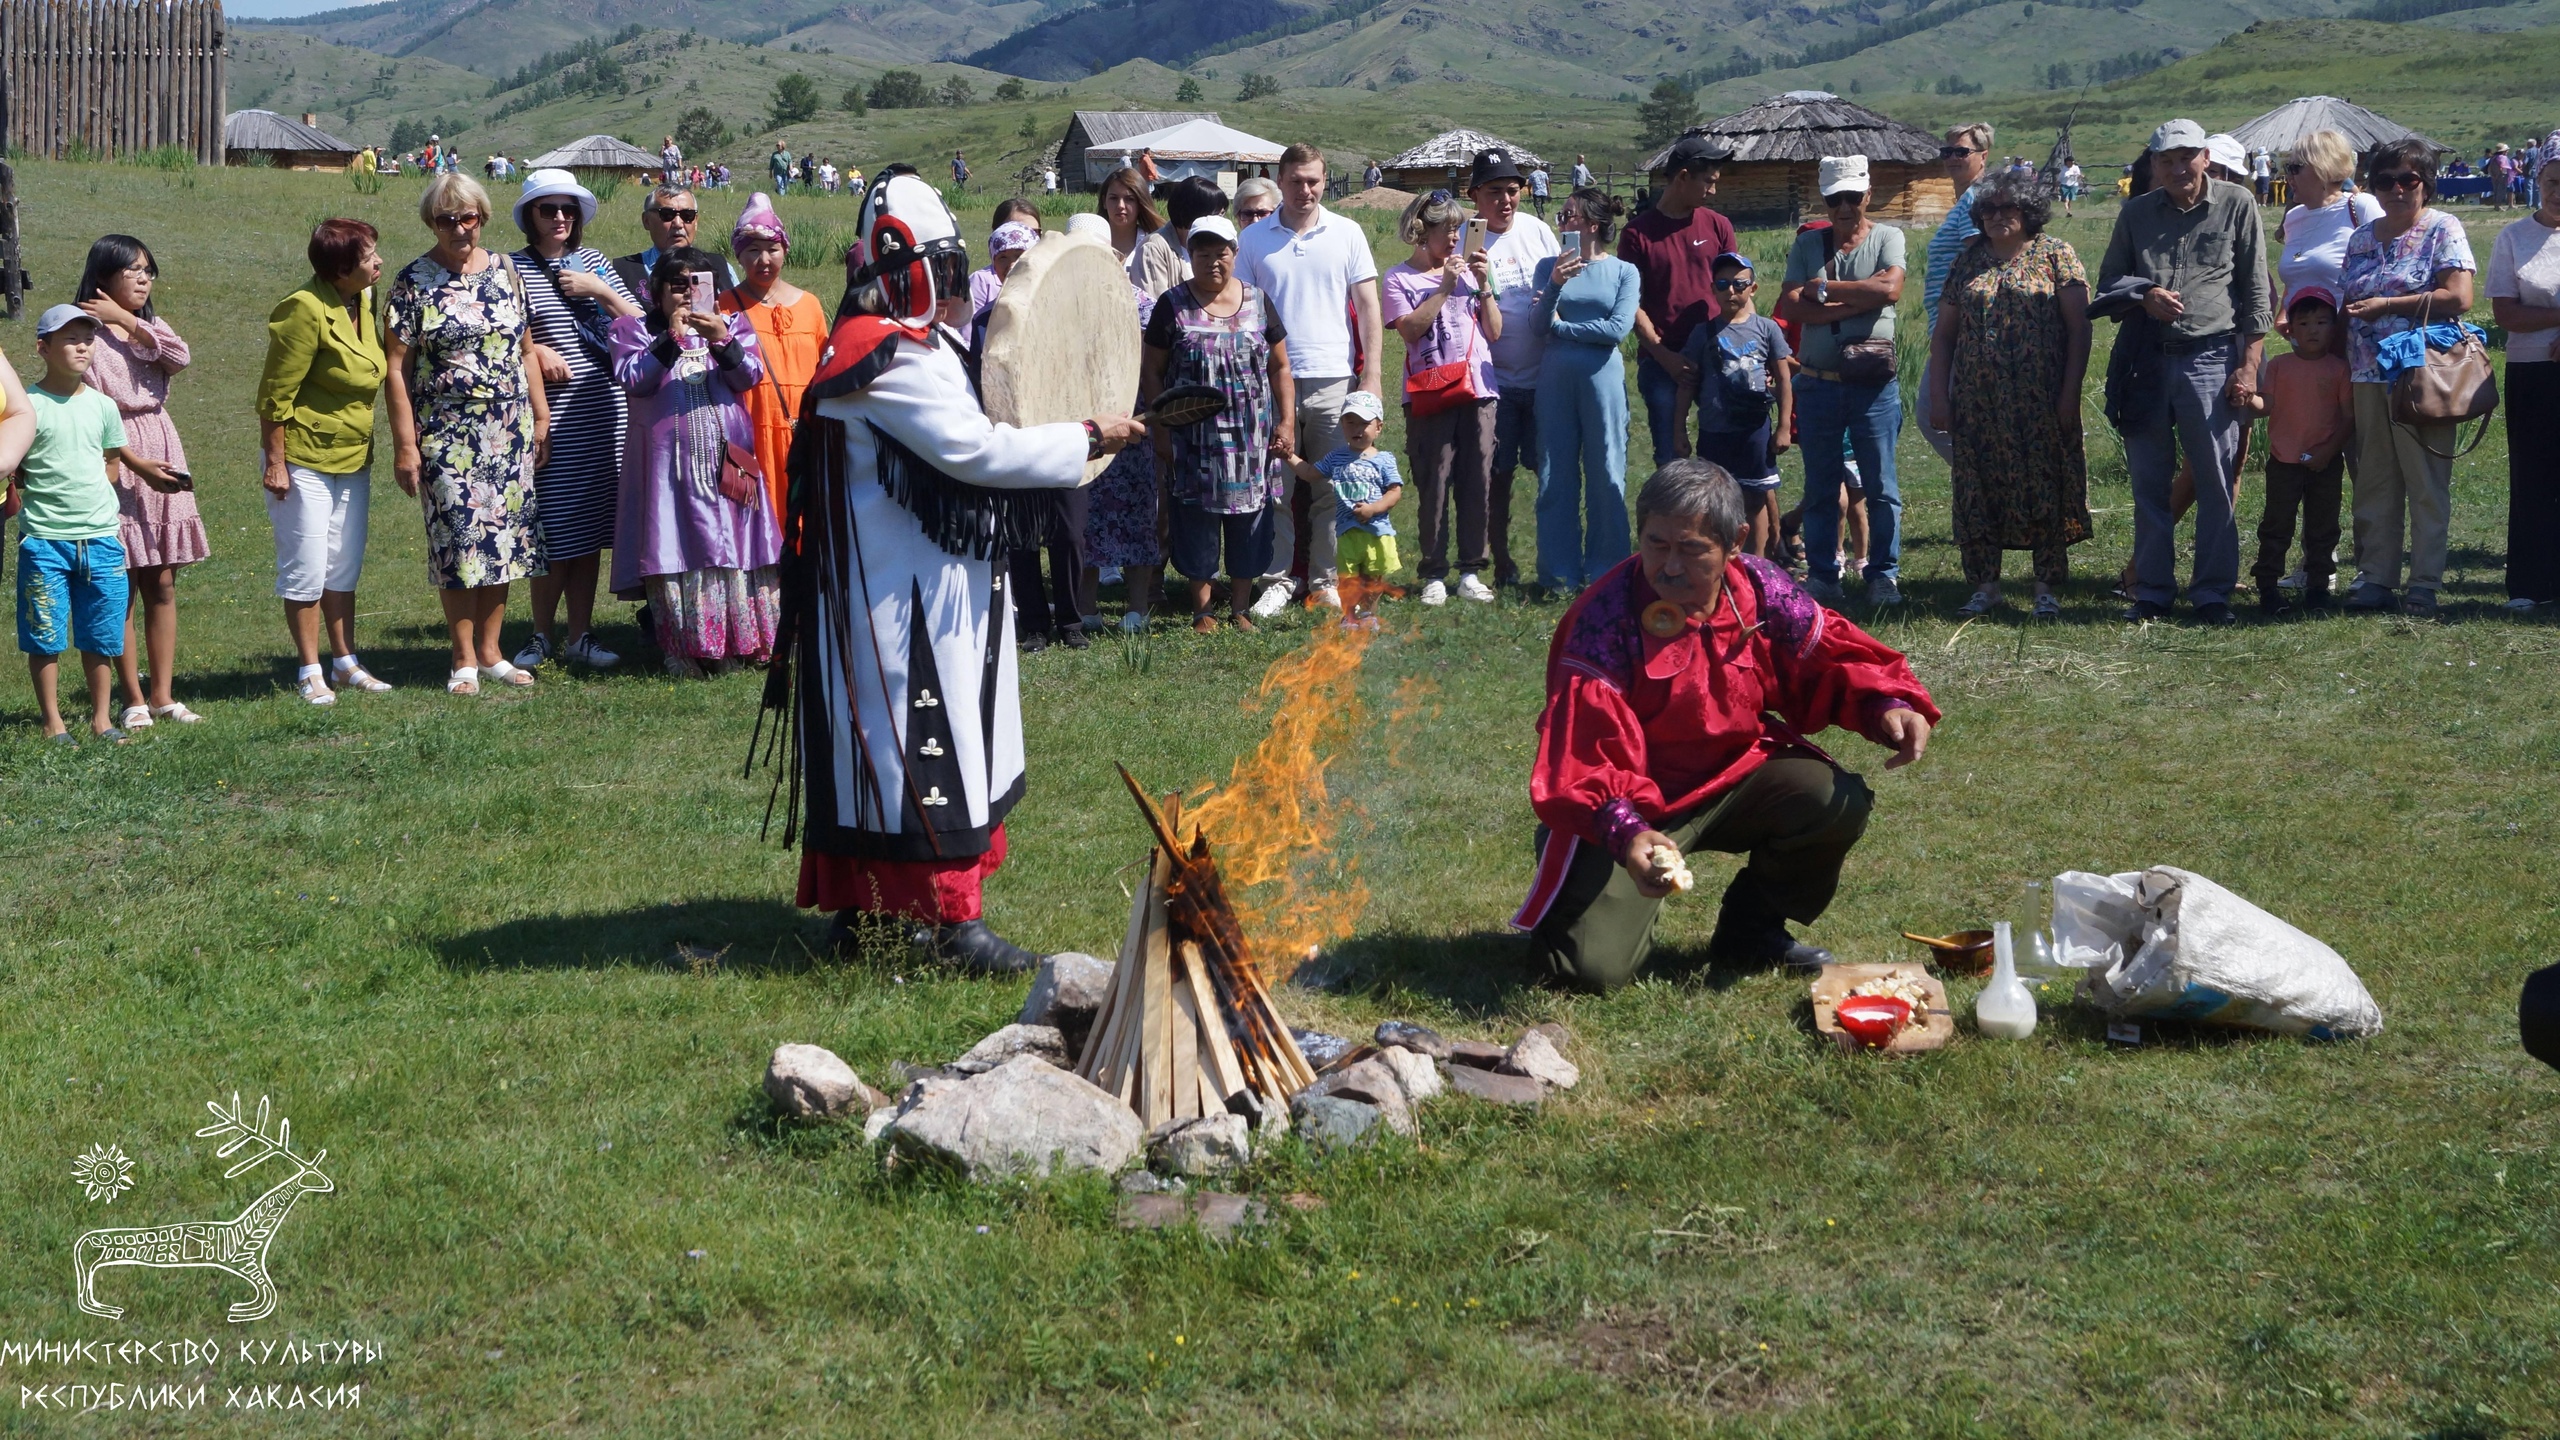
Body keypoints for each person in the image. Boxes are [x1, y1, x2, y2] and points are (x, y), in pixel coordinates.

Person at [772, 171, 1143, 973]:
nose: (946, 285)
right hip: (891, 597)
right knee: (912, 742)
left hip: (927, 583)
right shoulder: (883, 358)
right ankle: (945, 928)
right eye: (936, 268)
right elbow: (975, 451)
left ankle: (869, 913)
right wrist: (1086, 434)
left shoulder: (920, 343)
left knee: (895, 748)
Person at [1514, 460, 1938, 991]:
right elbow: (1584, 750)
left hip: (1735, 775)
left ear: (1735, 541)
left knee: (1834, 800)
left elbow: (1825, 659)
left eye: (1690, 549)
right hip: (1632, 802)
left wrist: (1886, 705)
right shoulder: (1604, 618)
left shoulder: (1759, 589)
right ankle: (1582, 880)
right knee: (1586, 973)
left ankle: (1751, 931)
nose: (1668, 567)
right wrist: (1624, 830)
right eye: (1655, 544)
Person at [2098, 118, 2271, 626]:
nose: (2178, 168)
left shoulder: (2238, 205)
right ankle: (2151, 590)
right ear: (2154, 164)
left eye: (2187, 157)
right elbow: (2108, 281)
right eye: (2167, 160)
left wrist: (2249, 365)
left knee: (2216, 480)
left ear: (2205, 158)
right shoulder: (2135, 214)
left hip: (2211, 358)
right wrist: (2143, 295)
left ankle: (2213, 593)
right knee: (2149, 483)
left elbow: (2256, 289)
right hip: (2145, 359)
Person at [384, 172, 550, 696]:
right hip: (447, 432)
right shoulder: (413, 282)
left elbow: (525, 351)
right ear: (431, 223)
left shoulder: (506, 271)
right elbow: (395, 368)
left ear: (483, 217)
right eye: (445, 219)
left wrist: (541, 417)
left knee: (503, 542)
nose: (458, 228)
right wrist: (406, 445)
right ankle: (462, 659)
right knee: (457, 541)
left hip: (509, 428)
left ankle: (492, 651)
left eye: (468, 217)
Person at [1925, 172, 2092, 619]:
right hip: (1978, 401)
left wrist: (2069, 396)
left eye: (2008, 208)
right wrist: (1940, 397)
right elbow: (1944, 336)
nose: (1997, 217)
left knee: (2046, 483)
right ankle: (1986, 586)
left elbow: (2080, 330)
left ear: (2028, 211)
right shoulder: (1967, 261)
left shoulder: (2056, 254)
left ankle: (2045, 589)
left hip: (2042, 398)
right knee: (1977, 487)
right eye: (1989, 210)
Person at [609, 248, 781, 675]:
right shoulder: (631, 330)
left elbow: (749, 377)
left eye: (697, 284)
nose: (688, 294)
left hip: (731, 457)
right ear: (656, 292)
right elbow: (634, 379)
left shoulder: (733, 325)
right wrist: (670, 338)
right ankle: (690, 650)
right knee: (675, 544)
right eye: (677, 285)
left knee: (740, 544)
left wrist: (720, 338)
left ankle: (746, 645)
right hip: (668, 469)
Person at [18, 304, 178, 743]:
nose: (81, 347)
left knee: (102, 633)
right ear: (43, 348)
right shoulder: (27, 407)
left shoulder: (104, 406)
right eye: (69, 339)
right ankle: (53, 722)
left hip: (102, 539)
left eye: (87, 339)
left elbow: (111, 463)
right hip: (45, 539)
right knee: (44, 635)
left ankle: (102, 718)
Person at [1238, 143, 1382, 616]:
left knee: (1327, 486)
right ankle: (1279, 580)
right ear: (1280, 180)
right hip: (1269, 380)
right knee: (1276, 486)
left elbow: (1367, 308)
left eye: (1314, 181)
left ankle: (1323, 582)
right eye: (1296, 180)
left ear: (1325, 180)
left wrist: (1372, 374)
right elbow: (1241, 309)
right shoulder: (1255, 239)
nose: (1306, 190)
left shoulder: (1348, 232)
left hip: (1333, 378)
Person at [508, 170, 642, 672]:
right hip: (552, 417)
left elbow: (638, 324)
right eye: (548, 209)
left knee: (590, 529)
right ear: (530, 217)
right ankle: (540, 634)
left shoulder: (595, 263)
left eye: (568, 209)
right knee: (553, 530)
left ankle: (580, 635)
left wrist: (598, 289)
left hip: (604, 410)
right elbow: (503, 335)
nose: (560, 218)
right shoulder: (513, 269)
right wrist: (535, 348)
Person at [257, 219, 392, 705]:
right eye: (368, 257)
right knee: (308, 566)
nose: (378, 262)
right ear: (340, 270)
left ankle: (345, 663)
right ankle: (309, 669)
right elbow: (275, 396)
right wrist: (276, 463)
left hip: (353, 457)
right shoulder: (303, 309)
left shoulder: (365, 300)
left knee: (343, 565)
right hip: (302, 460)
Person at [2339, 137, 2475, 619]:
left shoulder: (2443, 228)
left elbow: (2459, 297)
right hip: (2366, 372)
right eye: (2384, 181)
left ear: (2426, 183)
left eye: (2407, 180)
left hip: (2422, 373)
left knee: (2424, 479)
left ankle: (2424, 582)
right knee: (2374, 476)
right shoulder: (2360, 237)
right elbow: (2346, 303)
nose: (2396, 189)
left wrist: (2389, 306)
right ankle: (2375, 576)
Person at [74, 236, 204, 730]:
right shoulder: (80, 328)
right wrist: (135, 463)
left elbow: (179, 357)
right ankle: (131, 699)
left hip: (161, 439)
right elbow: (88, 404)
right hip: (114, 450)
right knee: (121, 581)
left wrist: (130, 322)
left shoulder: (147, 326)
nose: (144, 278)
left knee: (163, 579)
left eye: (149, 270)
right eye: (132, 270)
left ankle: (163, 695)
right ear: (103, 276)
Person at [1142, 214, 1293, 633]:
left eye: (1221, 253)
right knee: (1195, 519)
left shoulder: (1259, 301)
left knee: (1249, 520)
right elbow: (1152, 370)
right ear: (1189, 254)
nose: (1212, 262)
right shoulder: (1172, 304)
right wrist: (1161, 429)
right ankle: (1202, 610)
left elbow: (1281, 367)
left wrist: (1287, 423)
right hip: (1193, 437)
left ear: (1235, 253)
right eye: (1202, 253)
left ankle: (1241, 607)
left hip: (1250, 436)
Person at [1777, 154, 1909, 607]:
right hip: (1817, 382)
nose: (1845, 207)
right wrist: (1862, 301)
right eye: (1836, 199)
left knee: (1881, 486)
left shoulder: (1889, 236)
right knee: (1820, 485)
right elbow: (1791, 304)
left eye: (1853, 197)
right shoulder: (1808, 244)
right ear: (1826, 199)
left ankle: (1883, 574)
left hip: (1872, 383)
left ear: (1868, 195)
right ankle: (1823, 574)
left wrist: (1825, 291)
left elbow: (1891, 289)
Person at [1382, 189, 1501, 606]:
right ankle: (1433, 572)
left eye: (1459, 229)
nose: (1455, 238)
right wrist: (1445, 287)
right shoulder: (1399, 278)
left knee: (1477, 479)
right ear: (1421, 231)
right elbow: (1410, 330)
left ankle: (1471, 570)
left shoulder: (1472, 273)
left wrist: (1483, 285)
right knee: (1433, 481)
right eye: (1446, 229)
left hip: (1478, 390)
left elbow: (1495, 332)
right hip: (1429, 393)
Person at [1531, 187, 1641, 596]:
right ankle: (1559, 574)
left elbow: (1617, 329)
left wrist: (1565, 327)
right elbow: (1537, 324)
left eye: (1568, 215)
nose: (1561, 223)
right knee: (1554, 473)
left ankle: (1606, 571)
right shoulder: (1548, 267)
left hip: (1603, 378)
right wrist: (1556, 284)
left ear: (1592, 225)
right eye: (1560, 216)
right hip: (1556, 377)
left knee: (1607, 470)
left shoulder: (1624, 272)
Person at [1618, 133, 1737, 468]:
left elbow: (1738, 290)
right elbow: (1630, 303)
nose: (1713, 190)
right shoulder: (1637, 234)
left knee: (1724, 450)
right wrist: (1664, 356)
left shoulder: (1718, 226)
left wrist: (1753, 348)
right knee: (1672, 457)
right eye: (1708, 182)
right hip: (1662, 361)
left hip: (1718, 351)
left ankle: (1720, 520)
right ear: (1683, 177)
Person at [1470, 148, 1559, 591]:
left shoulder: (1539, 230)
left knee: (1550, 472)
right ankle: (1500, 559)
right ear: (1474, 196)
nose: (1506, 200)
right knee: (1497, 474)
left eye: (1513, 190)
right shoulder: (1470, 241)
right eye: (1494, 192)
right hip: (1495, 381)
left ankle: (1553, 557)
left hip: (1545, 378)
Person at [719, 193, 828, 526]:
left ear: (786, 250)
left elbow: (826, 372)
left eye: (772, 249)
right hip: (752, 437)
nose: (764, 259)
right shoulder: (724, 306)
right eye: (752, 250)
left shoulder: (810, 305)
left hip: (805, 436)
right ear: (739, 255)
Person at [1673, 252, 1792, 558]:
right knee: (1716, 502)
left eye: (1739, 284)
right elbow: (1687, 384)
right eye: (1723, 284)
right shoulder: (1703, 333)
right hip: (1714, 431)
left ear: (1753, 288)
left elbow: (1784, 379)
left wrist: (1784, 427)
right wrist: (1679, 431)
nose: (1731, 291)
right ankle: (1720, 561)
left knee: (1755, 500)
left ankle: (1757, 565)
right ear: (1712, 289)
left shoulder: (1767, 329)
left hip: (1754, 431)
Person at [2242, 289, 2352, 614]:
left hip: (2325, 463)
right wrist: (2249, 398)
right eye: (2303, 323)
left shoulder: (2339, 369)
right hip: (2284, 461)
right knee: (2277, 525)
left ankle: (2318, 587)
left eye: (2321, 322)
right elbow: (2266, 406)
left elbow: (2349, 418)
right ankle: (2268, 586)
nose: (2313, 330)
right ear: (2290, 330)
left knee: (2323, 527)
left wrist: (2328, 452)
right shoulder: (2279, 366)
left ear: (2334, 327)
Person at [2492, 138, 2560, 610]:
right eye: (2554, 182)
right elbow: (2506, 314)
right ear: (2537, 182)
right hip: (2532, 370)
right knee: (2533, 475)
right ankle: (2529, 584)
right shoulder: (2513, 237)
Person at [1920, 122, 1993, 464]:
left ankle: (1984, 480)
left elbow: (1976, 259)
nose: (1952, 158)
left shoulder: (1975, 199)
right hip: (1951, 328)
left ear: (1983, 156)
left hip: (1960, 329)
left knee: (1934, 417)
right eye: (1946, 152)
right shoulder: (1968, 198)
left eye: (1961, 152)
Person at [1290, 390, 1401, 604]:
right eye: (1350, 422)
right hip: (1347, 531)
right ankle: (1350, 615)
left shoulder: (1384, 459)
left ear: (1378, 428)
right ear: (1342, 426)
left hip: (1375, 531)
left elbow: (1395, 492)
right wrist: (1289, 456)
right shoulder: (1336, 457)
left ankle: (1369, 613)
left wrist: (1374, 509)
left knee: (1372, 578)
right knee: (1347, 578)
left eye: (1364, 423)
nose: (1356, 429)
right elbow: (1310, 473)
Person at [2277, 131, 2386, 320]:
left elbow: (2389, 271)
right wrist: (2283, 314)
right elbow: (2301, 272)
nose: (2289, 177)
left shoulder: (2361, 206)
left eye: (2294, 168)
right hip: (2308, 339)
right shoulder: (2293, 217)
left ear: (2323, 169)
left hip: (2352, 334)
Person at [612, 184, 738, 308]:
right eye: (667, 215)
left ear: (696, 221)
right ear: (646, 221)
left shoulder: (720, 266)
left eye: (687, 215)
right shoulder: (622, 272)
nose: (678, 223)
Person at [1099, 167, 1184, 315]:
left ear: (1140, 203)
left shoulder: (1156, 245)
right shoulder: (1093, 242)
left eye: (1129, 199)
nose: (1120, 205)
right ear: (1104, 202)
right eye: (1113, 198)